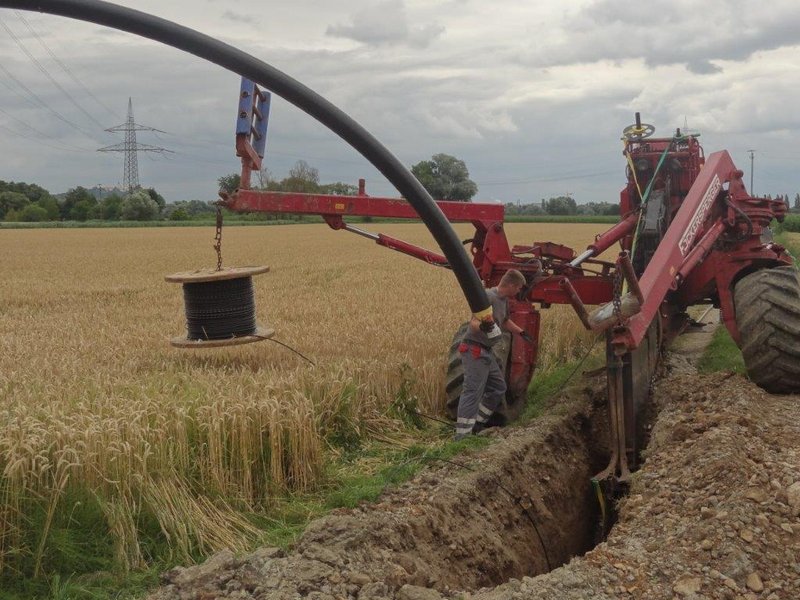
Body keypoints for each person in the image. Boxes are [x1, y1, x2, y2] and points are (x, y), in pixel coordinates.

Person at [454, 269, 533, 440]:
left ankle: (477, 425)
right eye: (518, 288)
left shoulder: (503, 301)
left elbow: (505, 321)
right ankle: (461, 437)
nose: (519, 291)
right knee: (472, 391)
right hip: (474, 349)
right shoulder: (487, 297)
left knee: (498, 387)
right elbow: (474, 322)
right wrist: (483, 327)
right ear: (511, 285)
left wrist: (521, 332)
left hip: (487, 352)